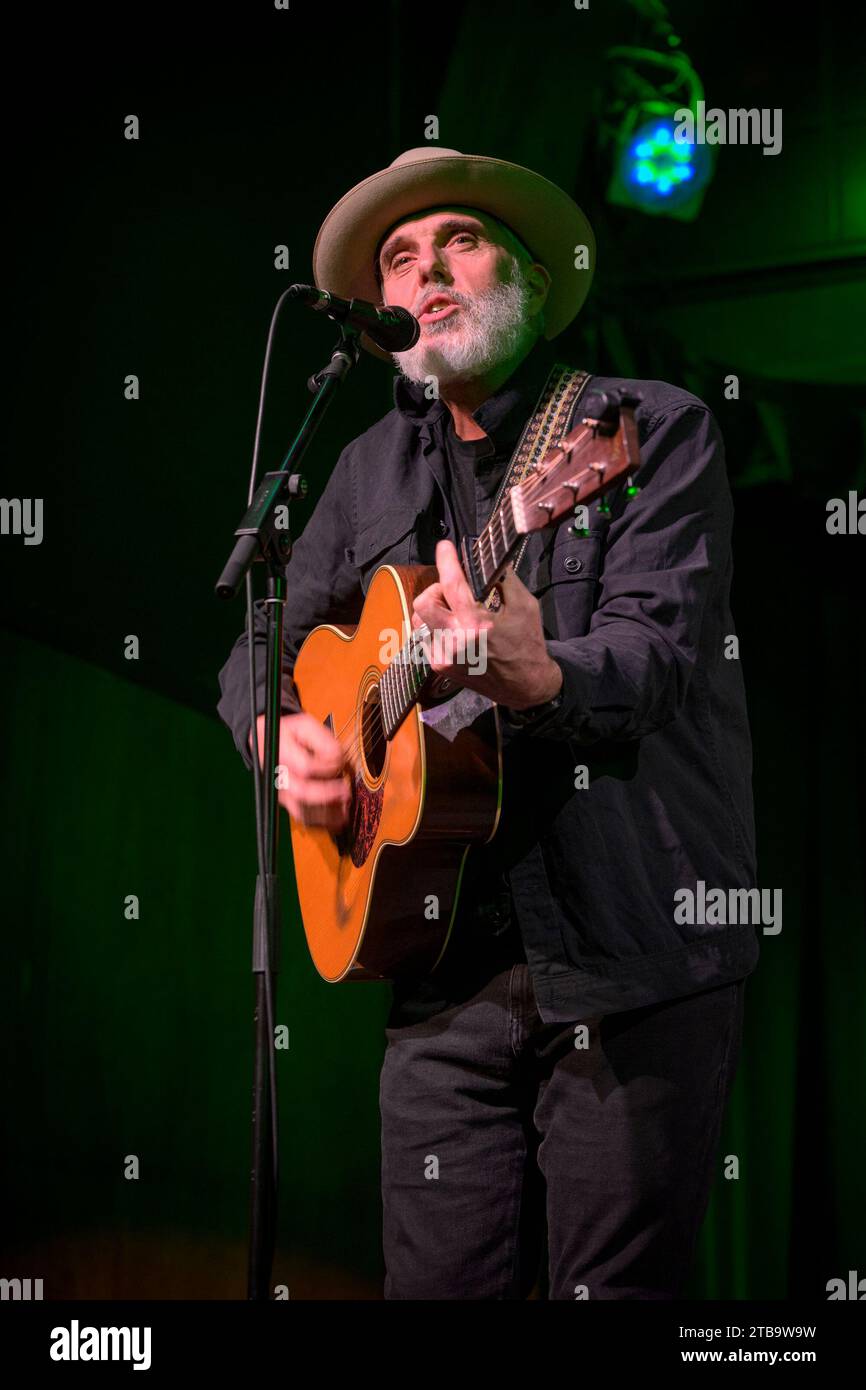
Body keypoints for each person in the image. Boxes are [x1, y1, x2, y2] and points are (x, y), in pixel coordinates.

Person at [217, 147, 760, 1300]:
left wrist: (542, 674)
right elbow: (258, 654)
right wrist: (285, 740)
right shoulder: (362, 473)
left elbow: (659, 657)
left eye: (458, 241)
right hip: (433, 973)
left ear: (524, 272)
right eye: (400, 259)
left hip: (628, 958)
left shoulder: (634, 431)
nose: (426, 272)